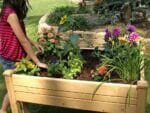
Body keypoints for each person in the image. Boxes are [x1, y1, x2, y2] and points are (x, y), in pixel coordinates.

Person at [0, 0, 48, 113]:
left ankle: (25, 110)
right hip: (10, 57)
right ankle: (2, 110)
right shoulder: (10, 14)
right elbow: (23, 40)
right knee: (15, 86)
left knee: (20, 86)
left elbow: (21, 34)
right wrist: (37, 62)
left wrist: (34, 43)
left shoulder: (10, 10)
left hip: (14, 55)